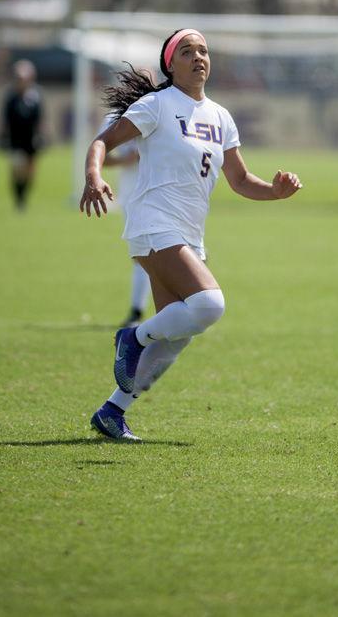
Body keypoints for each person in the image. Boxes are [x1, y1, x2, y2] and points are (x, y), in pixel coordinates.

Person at [80, 28, 302, 442]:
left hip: (187, 233)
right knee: (209, 305)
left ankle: (113, 411)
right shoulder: (157, 105)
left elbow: (239, 180)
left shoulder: (220, 117)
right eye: (187, 51)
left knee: (178, 333)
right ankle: (133, 336)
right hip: (153, 222)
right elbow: (102, 143)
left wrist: (275, 191)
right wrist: (93, 176)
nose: (198, 56)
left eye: (203, 50)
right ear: (171, 64)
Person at [97, 111, 152, 327]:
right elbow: (102, 155)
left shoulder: (165, 107)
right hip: (132, 196)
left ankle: (144, 311)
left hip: (165, 194)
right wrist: (126, 159)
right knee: (142, 255)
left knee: (161, 253)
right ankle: (137, 311)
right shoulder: (115, 116)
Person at [0, 59, 45, 210]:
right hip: (16, 138)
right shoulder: (11, 98)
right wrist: (3, 137)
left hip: (31, 139)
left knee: (30, 170)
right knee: (18, 168)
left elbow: (40, 119)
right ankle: (19, 199)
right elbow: (5, 120)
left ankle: (24, 195)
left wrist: (42, 135)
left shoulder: (35, 97)